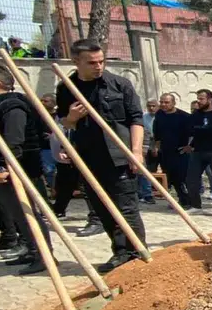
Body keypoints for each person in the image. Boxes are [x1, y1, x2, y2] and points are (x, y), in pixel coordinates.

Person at [54, 38, 147, 273]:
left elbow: (136, 119)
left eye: (101, 61)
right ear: (76, 62)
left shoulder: (119, 84)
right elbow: (65, 123)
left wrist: (136, 152)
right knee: (101, 207)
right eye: (92, 62)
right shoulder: (66, 88)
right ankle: (120, 252)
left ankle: (137, 252)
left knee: (126, 207)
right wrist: (72, 118)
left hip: (120, 155)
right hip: (88, 157)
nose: (98, 66)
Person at [0, 65, 51, 274]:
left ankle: (44, 256)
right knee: (18, 215)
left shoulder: (12, 106)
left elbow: (14, 141)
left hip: (16, 172)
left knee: (27, 215)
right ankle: (33, 251)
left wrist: (3, 168)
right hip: (4, 174)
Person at [183, 89, 212, 210]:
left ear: (210, 99)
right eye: (198, 99)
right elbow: (192, 131)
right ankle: (196, 205)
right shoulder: (196, 115)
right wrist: (190, 145)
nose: (199, 101)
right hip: (198, 151)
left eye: (201, 99)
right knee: (191, 179)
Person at [153, 93, 192, 204]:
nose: (163, 104)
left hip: (180, 152)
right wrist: (157, 146)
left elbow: (192, 134)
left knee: (182, 177)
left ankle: (189, 200)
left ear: (173, 103)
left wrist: (188, 146)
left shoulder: (184, 117)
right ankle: (180, 200)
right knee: (171, 177)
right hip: (166, 151)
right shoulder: (159, 114)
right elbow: (157, 132)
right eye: (161, 102)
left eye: (166, 102)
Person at [139, 98, 159, 204]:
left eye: (153, 105)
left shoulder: (161, 116)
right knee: (146, 170)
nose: (151, 108)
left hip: (159, 143)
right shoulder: (143, 118)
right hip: (146, 144)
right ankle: (146, 194)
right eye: (149, 106)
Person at [38, 92, 58, 193]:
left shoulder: (58, 115)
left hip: (58, 146)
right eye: (41, 100)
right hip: (45, 147)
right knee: (48, 170)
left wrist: (53, 136)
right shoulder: (39, 115)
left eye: (45, 101)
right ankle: (54, 189)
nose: (42, 102)